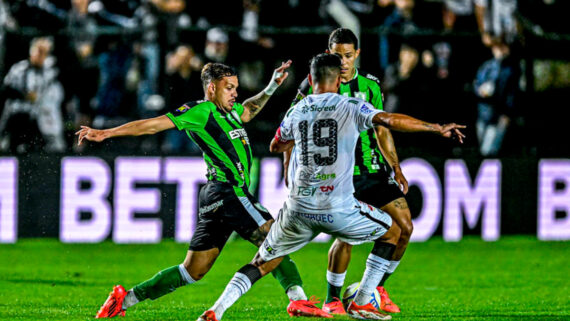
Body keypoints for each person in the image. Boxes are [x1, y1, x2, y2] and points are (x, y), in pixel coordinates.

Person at [197, 53, 465, 321]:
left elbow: (276, 145)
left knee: (261, 262)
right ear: (339, 81)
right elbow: (389, 121)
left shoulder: (297, 110)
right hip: (337, 208)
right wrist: (435, 128)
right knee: (393, 231)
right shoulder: (351, 105)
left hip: (298, 209)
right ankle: (361, 301)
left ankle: (216, 310)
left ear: (311, 80)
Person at [77, 61, 330, 318]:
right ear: (211, 88)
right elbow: (153, 124)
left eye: (236, 88)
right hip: (228, 191)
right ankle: (298, 299)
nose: (235, 93)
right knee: (276, 238)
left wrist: (271, 86)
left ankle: (124, 299)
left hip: (215, 197)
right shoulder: (202, 111)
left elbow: (250, 110)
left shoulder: (230, 113)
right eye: (229, 88)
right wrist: (106, 133)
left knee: (192, 271)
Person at [287, 28, 411, 314]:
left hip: (372, 169)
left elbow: (382, 128)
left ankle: (375, 289)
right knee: (348, 235)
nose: (342, 62)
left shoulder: (370, 85)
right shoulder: (315, 85)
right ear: (328, 54)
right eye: (336, 56)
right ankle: (333, 298)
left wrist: (395, 166)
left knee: (404, 227)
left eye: (347, 55)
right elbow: (292, 127)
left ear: (357, 54)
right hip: (341, 173)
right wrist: (290, 168)